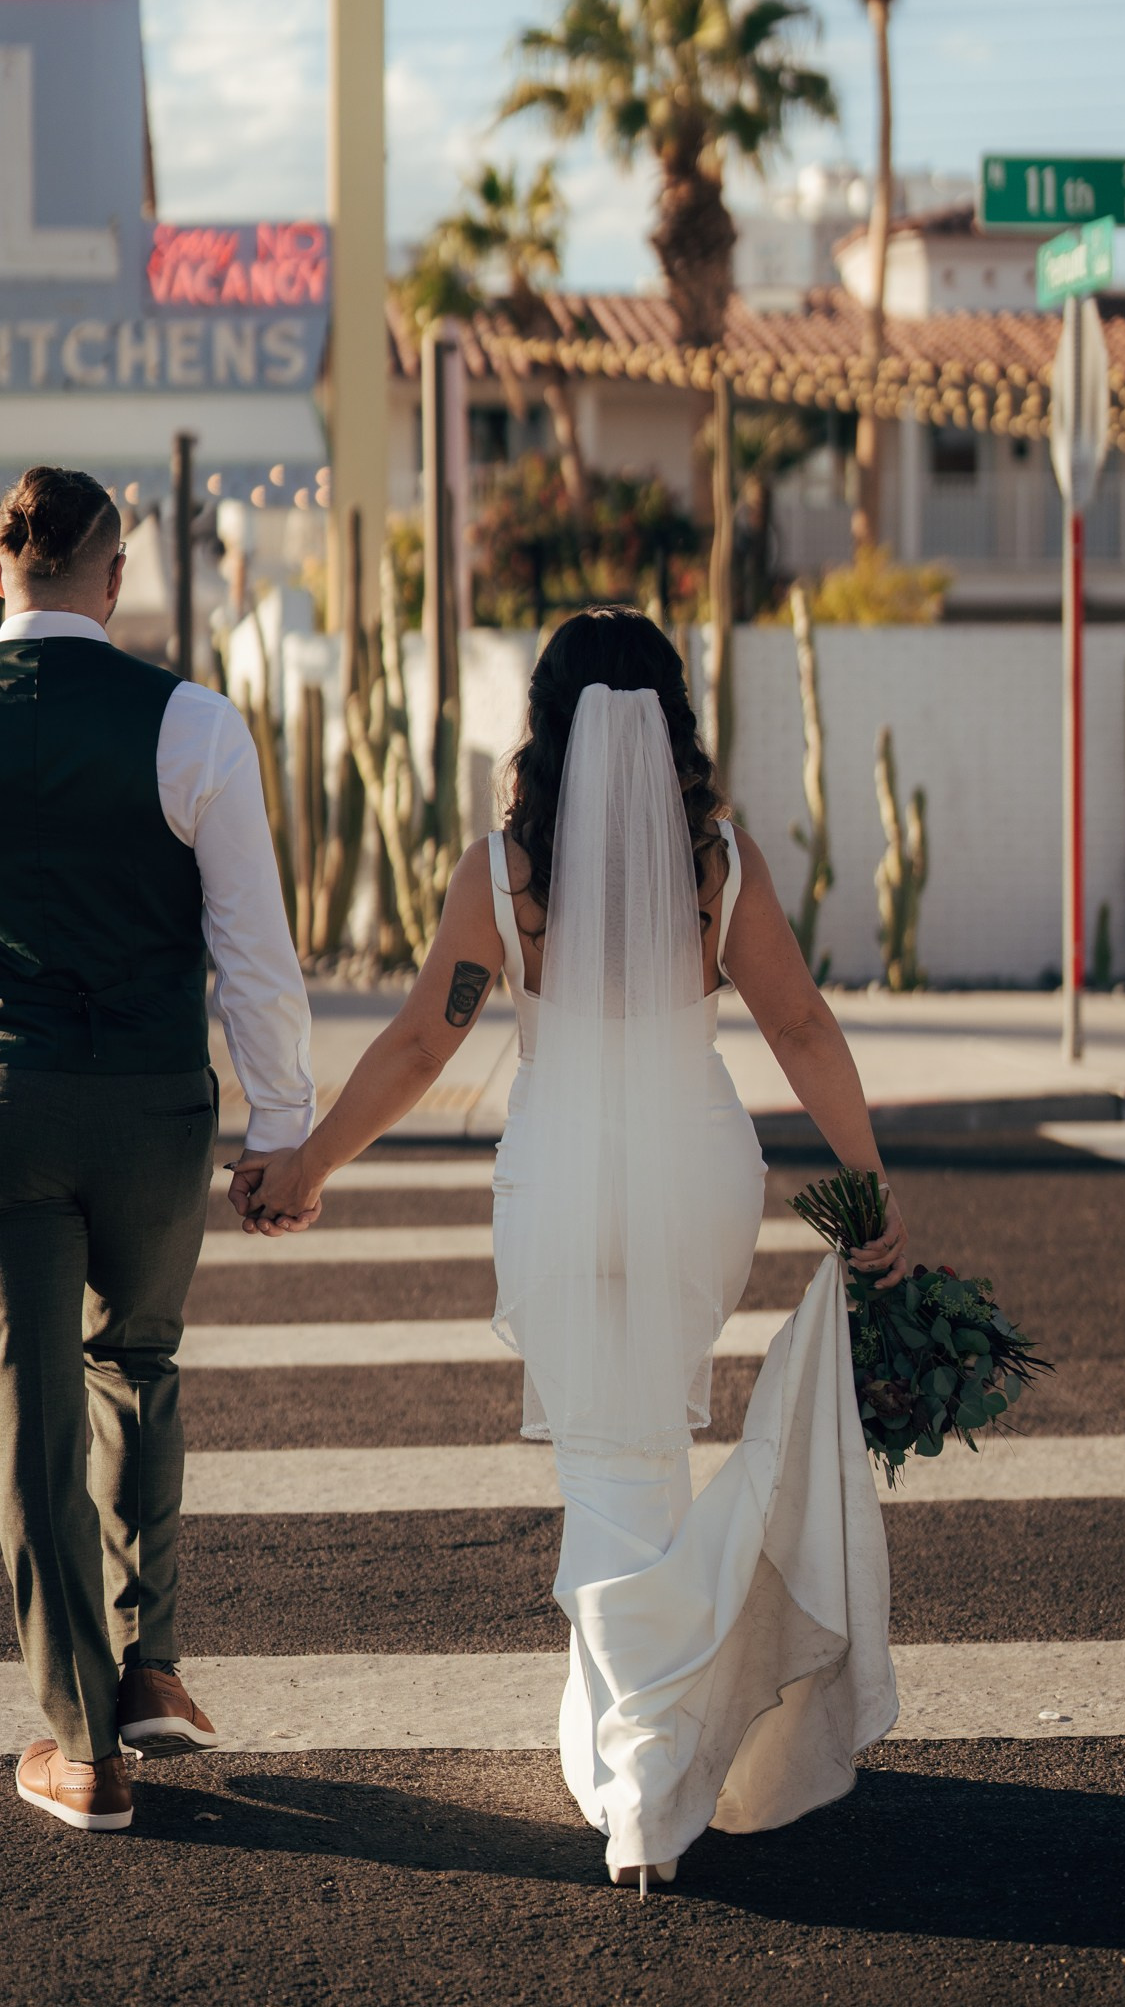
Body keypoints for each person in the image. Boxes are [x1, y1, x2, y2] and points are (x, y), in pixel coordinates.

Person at [238, 607, 907, 1892]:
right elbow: (804, 1030)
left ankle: (645, 1776)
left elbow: (425, 1045)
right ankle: (647, 1734)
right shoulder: (720, 868)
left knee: (609, 1469)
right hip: (696, 1172)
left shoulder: (501, 876)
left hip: (556, 1184)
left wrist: (309, 1168)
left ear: (543, 727)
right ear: (673, 721)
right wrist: (869, 1188)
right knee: (646, 1446)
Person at [0, 464, 314, 1837]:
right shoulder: (196, 726)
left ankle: (81, 1742)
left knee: (28, 1414)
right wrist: (280, 1125)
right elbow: (253, 954)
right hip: (156, 1105)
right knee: (138, 1364)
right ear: (115, 579)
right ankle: (150, 1661)